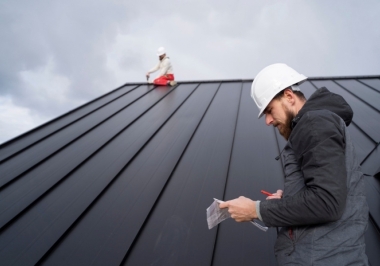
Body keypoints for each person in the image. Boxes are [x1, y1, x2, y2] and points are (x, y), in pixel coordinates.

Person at [219, 63, 369, 265]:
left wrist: (256, 210)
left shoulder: (315, 123)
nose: (268, 121)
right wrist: (288, 199)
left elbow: (327, 202)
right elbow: (324, 194)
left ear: (289, 97)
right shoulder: (315, 125)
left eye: (270, 110)